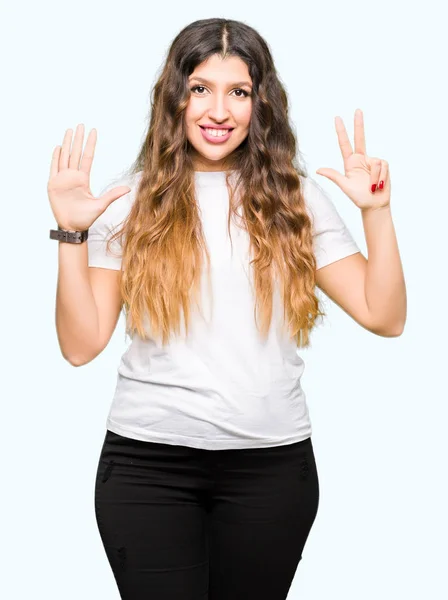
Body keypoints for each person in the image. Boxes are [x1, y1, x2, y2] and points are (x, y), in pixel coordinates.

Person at [48, 17, 407, 600]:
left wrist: (377, 213)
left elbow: (383, 314)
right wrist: (71, 233)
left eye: (237, 91)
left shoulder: (294, 200)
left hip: (270, 471)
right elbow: (80, 344)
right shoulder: (127, 203)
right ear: (176, 99)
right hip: (148, 467)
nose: (219, 110)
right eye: (200, 89)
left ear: (259, 103)